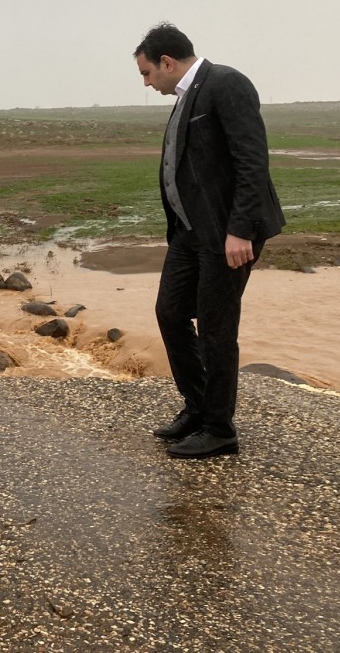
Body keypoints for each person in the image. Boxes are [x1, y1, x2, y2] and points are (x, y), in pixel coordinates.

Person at [133, 23, 285, 459]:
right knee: (170, 312)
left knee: (217, 329)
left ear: (166, 62)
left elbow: (251, 160)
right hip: (189, 232)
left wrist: (240, 229)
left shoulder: (226, 83)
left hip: (225, 234)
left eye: (146, 73)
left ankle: (219, 429)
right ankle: (197, 408)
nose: (146, 83)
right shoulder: (187, 96)